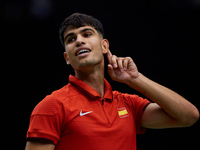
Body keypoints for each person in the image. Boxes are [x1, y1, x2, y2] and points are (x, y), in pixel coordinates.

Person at [25, 13, 199, 150]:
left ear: (104, 46)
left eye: (86, 34)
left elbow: (188, 116)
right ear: (67, 58)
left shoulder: (128, 104)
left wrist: (135, 79)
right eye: (71, 39)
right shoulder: (52, 106)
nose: (79, 40)